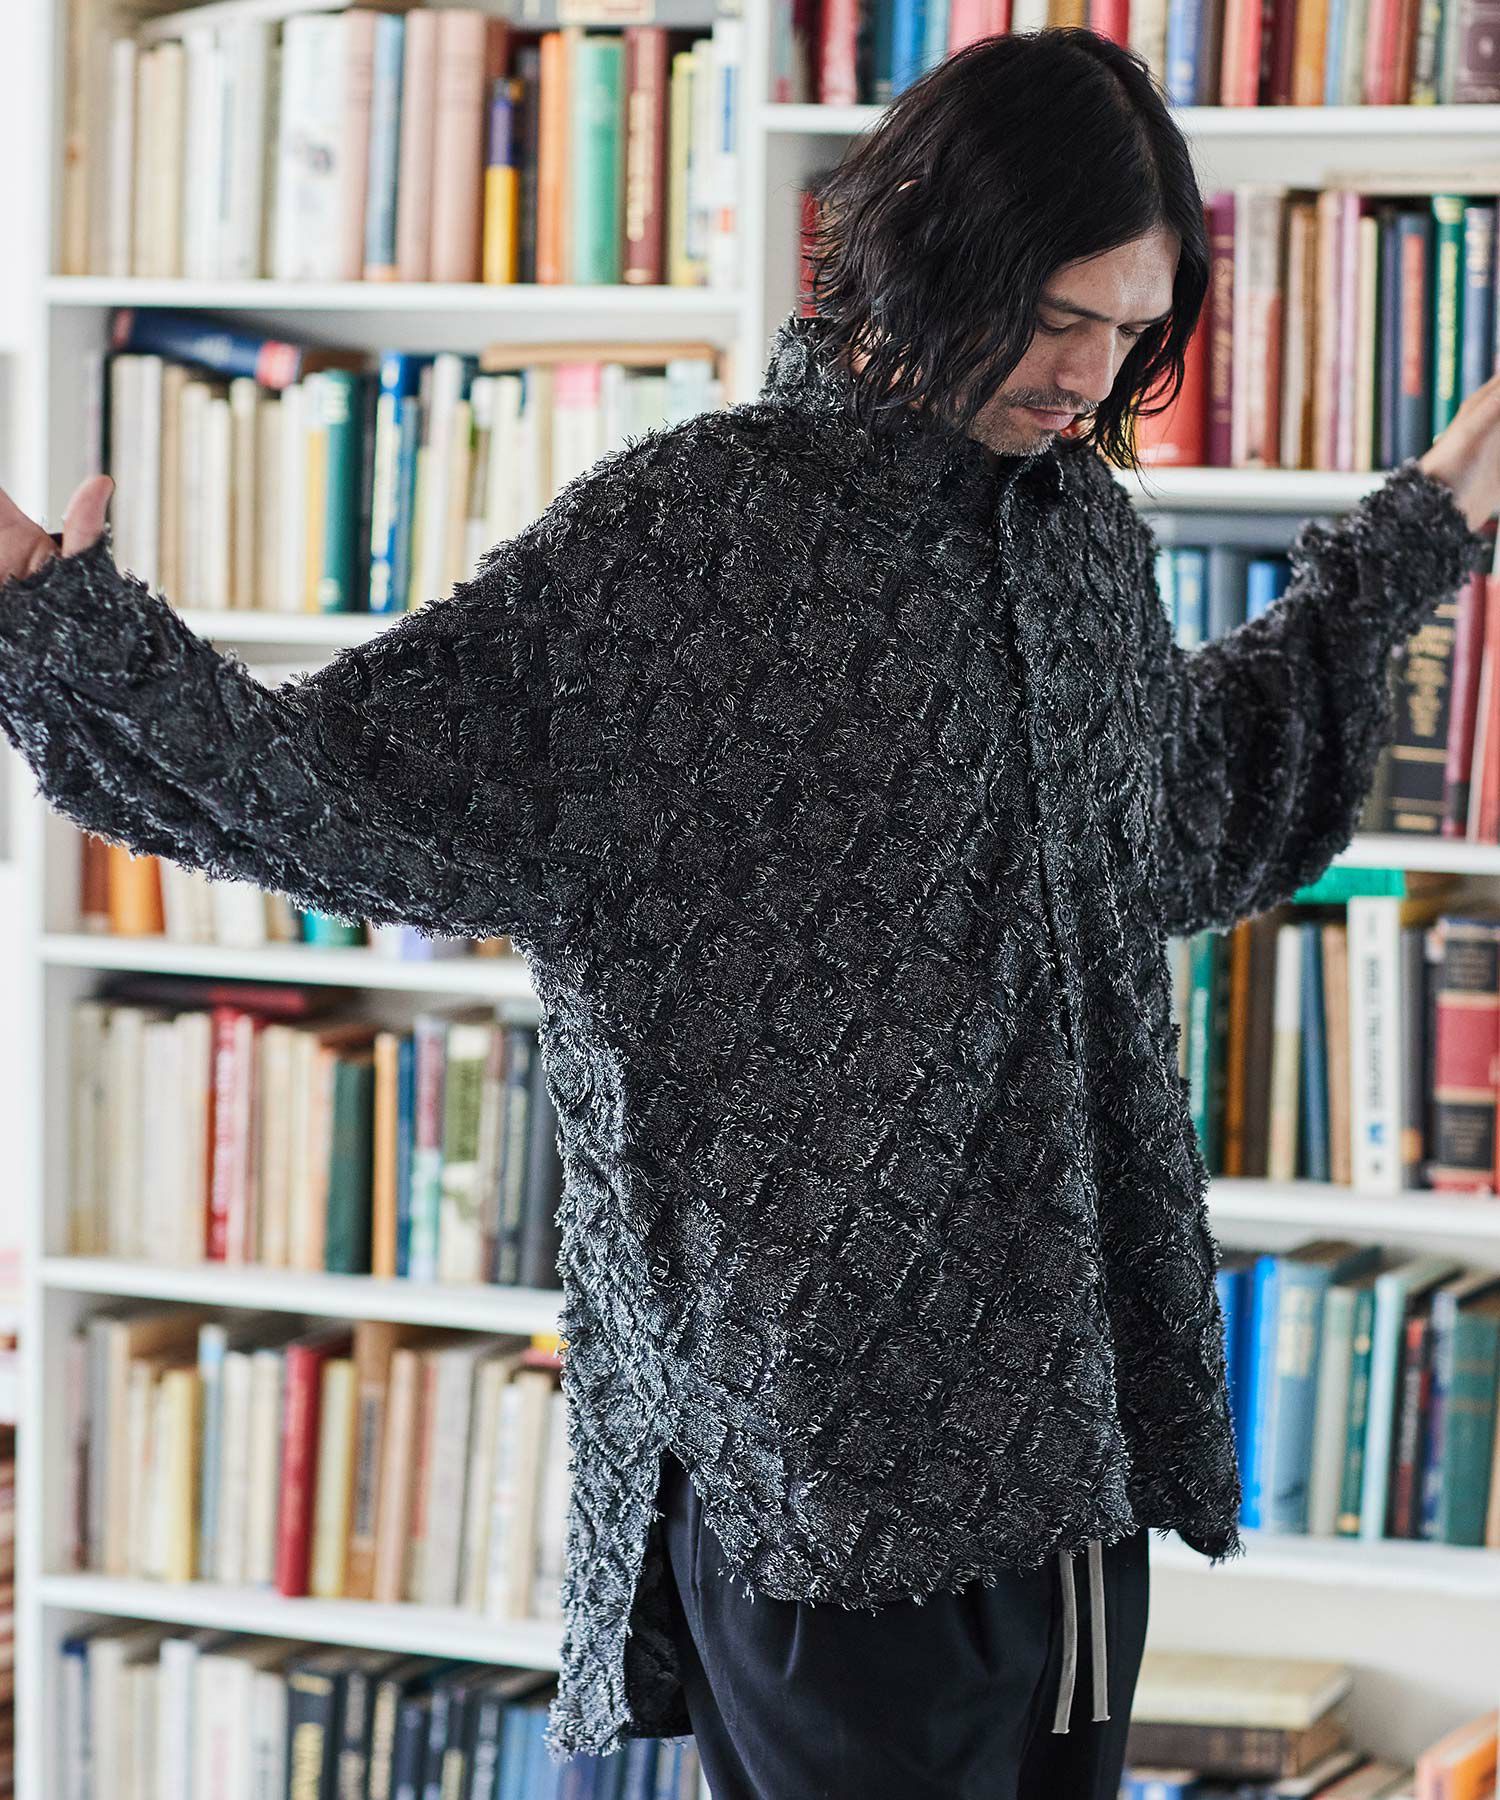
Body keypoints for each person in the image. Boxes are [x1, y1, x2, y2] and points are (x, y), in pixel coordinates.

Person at [3, 25, 1499, 1800]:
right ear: (933, 245)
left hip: (1075, 1441)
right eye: (1058, 317)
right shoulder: (689, 539)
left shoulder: (1077, 534)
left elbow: (1183, 816)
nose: (1090, 373)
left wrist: (1410, 541)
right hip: (819, 1458)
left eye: (1131, 329)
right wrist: (67, 637)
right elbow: (343, 792)